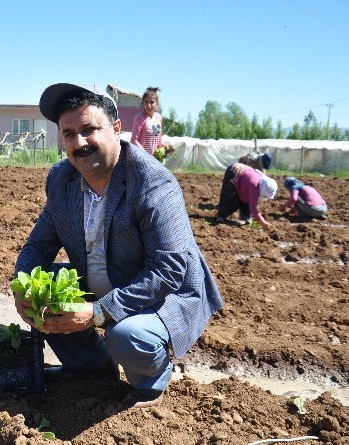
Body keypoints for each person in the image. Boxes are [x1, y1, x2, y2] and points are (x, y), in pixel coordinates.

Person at [14, 83, 223, 408]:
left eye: (89, 130)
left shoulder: (152, 182)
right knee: (43, 295)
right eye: (69, 133)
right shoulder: (61, 179)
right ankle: (91, 366)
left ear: (115, 129)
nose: (79, 142)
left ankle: (150, 382)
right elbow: (38, 246)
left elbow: (168, 272)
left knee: (125, 334)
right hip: (102, 274)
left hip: (163, 292)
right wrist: (21, 287)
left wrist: (98, 312)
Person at [215, 163, 278, 229]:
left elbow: (252, 202)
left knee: (247, 197)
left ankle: (246, 217)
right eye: (266, 196)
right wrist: (262, 222)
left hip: (245, 174)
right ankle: (221, 216)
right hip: (233, 171)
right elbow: (253, 208)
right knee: (229, 195)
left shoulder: (261, 185)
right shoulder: (255, 186)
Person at [130, 86, 163, 155]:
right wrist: (145, 155)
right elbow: (134, 140)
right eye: (146, 102)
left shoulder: (159, 118)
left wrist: (163, 147)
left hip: (154, 158)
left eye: (152, 102)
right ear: (143, 103)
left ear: (156, 104)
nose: (149, 105)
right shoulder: (139, 118)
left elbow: (158, 138)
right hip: (141, 157)